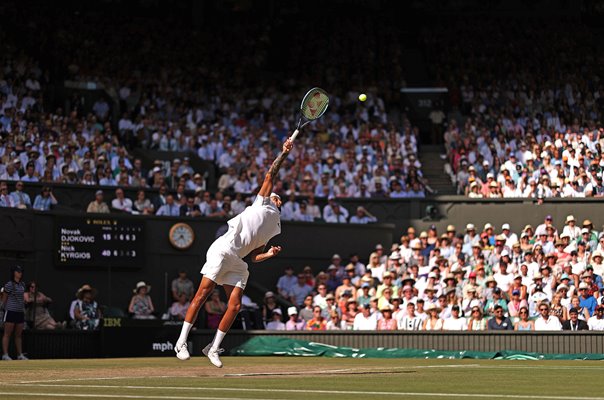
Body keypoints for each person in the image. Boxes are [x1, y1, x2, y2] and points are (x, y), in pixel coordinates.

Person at [174, 138, 293, 367]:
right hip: (222, 249)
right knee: (203, 294)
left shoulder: (275, 227)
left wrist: (269, 255)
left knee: (236, 305)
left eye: (280, 198)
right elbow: (271, 173)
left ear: (281, 206)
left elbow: (254, 256)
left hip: (238, 261)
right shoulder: (262, 202)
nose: (277, 197)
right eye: (276, 195)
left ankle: (213, 347)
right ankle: (181, 342)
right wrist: (284, 153)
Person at [2, 266, 28, 360]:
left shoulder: (23, 284)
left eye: (21, 272)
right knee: (7, 334)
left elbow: (23, 298)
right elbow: (4, 299)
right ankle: (5, 355)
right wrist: (4, 310)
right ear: (14, 273)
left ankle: (20, 355)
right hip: (10, 311)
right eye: (18, 271)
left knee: (18, 335)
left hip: (20, 312)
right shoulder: (8, 285)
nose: (20, 273)